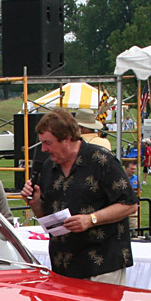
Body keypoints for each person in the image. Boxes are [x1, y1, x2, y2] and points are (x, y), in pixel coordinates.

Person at [20, 108, 138, 283]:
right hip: (63, 265)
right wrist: (35, 203)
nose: (44, 149)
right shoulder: (48, 167)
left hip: (101, 264)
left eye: (48, 143)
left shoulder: (101, 161)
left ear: (67, 138)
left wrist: (91, 219)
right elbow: (47, 218)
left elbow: (129, 204)